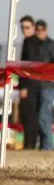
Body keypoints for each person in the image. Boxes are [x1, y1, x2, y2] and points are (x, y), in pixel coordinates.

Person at [18, 15, 40, 149]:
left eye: (27, 27)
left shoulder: (32, 42)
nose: (24, 30)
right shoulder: (27, 41)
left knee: (30, 114)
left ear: (33, 27)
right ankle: (29, 143)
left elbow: (29, 66)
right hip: (29, 83)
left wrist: (25, 86)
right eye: (22, 28)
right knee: (27, 114)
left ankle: (30, 144)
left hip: (31, 85)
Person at [33, 20, 54, 150]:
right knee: (39, 117)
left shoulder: (51, 45)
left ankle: (47, 146)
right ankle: (43, 145)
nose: (39, 32)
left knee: (44, 117)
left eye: (41, 30)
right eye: (37, 30)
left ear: (45, 30)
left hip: (47, 86)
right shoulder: (33, 45)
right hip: (36, 85)